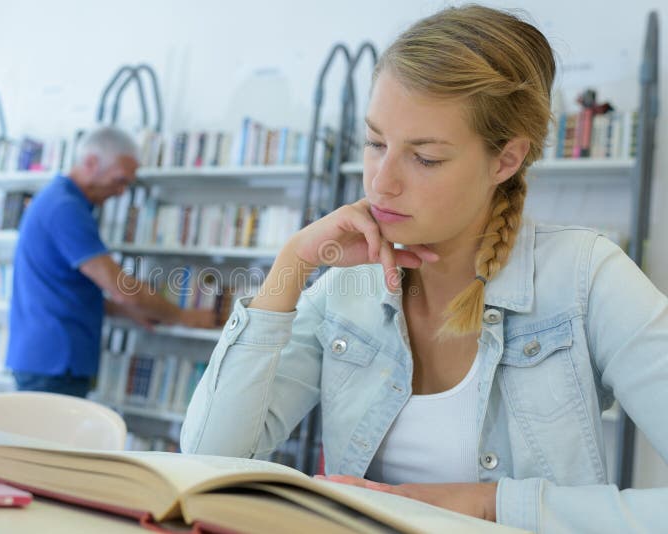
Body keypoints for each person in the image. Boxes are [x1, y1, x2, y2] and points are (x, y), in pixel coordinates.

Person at [181, 5, 668, 532]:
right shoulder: (347, 288)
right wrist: (292, 264)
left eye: (426, 157)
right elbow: (207, 461)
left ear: (505, 159)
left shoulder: (585, 278)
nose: (381, 182)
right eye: (374, 144)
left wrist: (490, 506)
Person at [7, 126, 216, 398]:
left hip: (50, 358)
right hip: (53, 362)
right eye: (120, 180)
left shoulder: (59, 200)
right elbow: (121, 286)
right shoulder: (65, 209)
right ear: (91, 162)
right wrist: (184, 316)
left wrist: (128, 311)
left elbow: (69, 290)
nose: (120, 192)